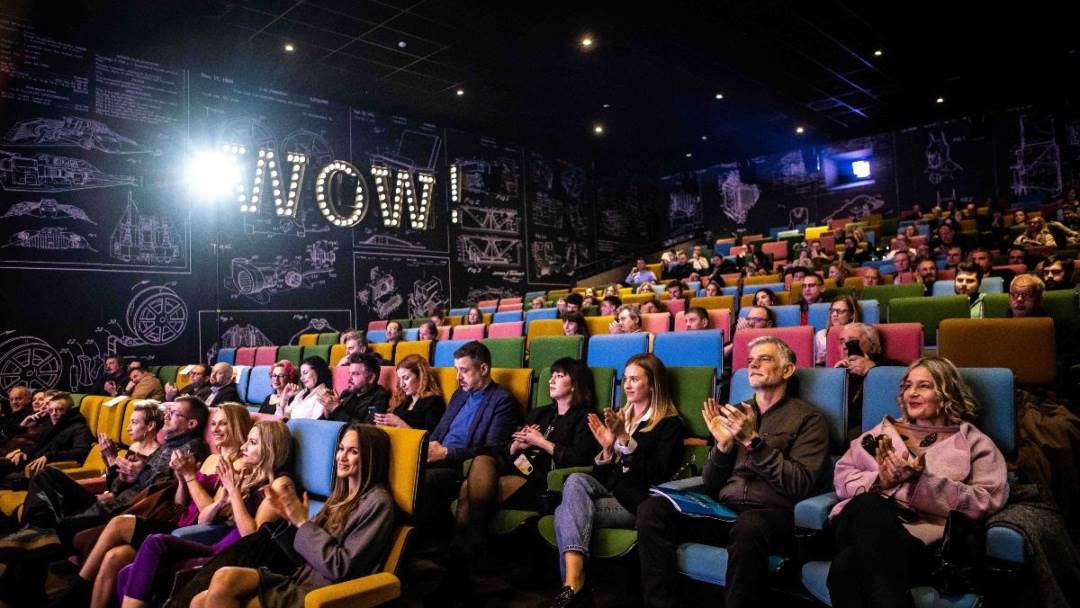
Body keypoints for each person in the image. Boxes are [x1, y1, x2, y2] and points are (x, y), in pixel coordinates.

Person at [637, 337, 829, 608]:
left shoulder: (808, 418)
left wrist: (753, 442)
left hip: (773, 516)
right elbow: (710, 483)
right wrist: (723, 447)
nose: (753, 365)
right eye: (750, 360)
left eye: (764, 359)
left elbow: (800, 484)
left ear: (787, 370)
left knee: (749, 524)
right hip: (725, 513)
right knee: (652, 510)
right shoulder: (733, 413)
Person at [826, 357, 1008, 608]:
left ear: (947, 392)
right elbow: (841, 476)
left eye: (924, 386)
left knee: (845, 567)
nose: (912, 393)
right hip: (858, 523)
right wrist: (880, 480)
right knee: (869, 505)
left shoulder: (974, 443)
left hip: (922, 545)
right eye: (908, 386)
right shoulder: (881, 432)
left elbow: (986, 500)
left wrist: (922, 482)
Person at [190, 425, 395, 608]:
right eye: (341, 449)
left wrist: (302, 522)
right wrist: (291, 521)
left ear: (371, 459)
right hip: (298, 578)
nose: (342, 457)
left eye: (353, 452)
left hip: (320, 592)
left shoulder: (378, 502)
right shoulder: (338, 497)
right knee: (214, 586)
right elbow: (300, 556)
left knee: (218, 595)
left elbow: (340, 567)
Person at [70, 404, 249, 608]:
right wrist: (181, 478)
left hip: (193, 532)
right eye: (214, 423)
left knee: (119, 523)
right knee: (115, 556)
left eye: (223, 424)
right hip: (179, 519)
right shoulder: (211, 458)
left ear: (237, 426)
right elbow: (180, 504)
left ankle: (76, 590)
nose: (215, 429)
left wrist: (190, 476)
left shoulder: (238, 465)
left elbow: (208, 515)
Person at [550, 354, 684, 607]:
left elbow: (657, 474)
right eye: (626, 379)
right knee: (575, 479)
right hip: (613, 493)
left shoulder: (669, 424)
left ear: (653, 385)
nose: (628, 385)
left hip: (638, 503)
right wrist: (607, 450)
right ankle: (574, 586)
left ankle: (573, 588)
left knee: (562, 513)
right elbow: (604, 477)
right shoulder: (622, 418)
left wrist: (625, 440)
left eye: (635, 379)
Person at [113, 420, 292, 608]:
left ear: (271, 449)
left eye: (253, 443)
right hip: (217, 548)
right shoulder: (248, 475)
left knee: (154, 543)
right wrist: (221, 503)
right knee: (127, 572)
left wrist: (233, 492)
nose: (244, 447)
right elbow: (203, 519)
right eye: (247, 440)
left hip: (232, 557)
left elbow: (252, 537)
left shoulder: (280, 484)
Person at [453, 358, 598, 570]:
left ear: (575, 384)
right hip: (517, 467)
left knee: (468, 490)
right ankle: (474, 554)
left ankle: (462, 560)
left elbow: (579, 458)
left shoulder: (585, 418)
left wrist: (541, 442)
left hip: (542, 482)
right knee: (483, 458)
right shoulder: (540, 413)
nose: (551, 380)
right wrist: (515, 446)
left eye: (559, 376)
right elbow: (508, 450)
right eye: (551, 376)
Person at [422, 342, 521, 537]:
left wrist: (446, 453)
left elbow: (492, 449)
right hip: (437, 457)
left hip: (461, 466)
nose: (458, 377)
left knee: (423, 481)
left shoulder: (502, 400)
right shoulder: (459, 395)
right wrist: (429, 446)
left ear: (483, 369)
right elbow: (440, 430)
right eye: (457, 370)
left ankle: (428, 543)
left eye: (464, 370)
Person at [0, 391, 93, 488]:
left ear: (69, 411)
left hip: (45, 469)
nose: (53, 414)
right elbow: (37, 446)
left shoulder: (79, 428)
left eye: (59, 410)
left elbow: (81, 452)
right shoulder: (49, 426)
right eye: (51, 410)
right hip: (29, 462)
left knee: (10, 478)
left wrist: (50, 456)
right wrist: (24, 452)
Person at [373, 354, 445, 432]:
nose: (402, 385)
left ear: (421, 377)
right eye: (400, 379)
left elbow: (430, 437)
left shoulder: (434, 402)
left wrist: (399, 423)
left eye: (406, 378)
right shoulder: (403, 398)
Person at [326, 352, 390, 424]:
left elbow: (365, 427)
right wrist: (327, 412)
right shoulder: (346, 393)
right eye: (349, 374)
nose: (349, 379)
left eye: (355, 374)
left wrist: (336, 409)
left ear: (371, 377)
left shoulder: (380, 397)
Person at [815, 295, 861, 365]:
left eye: (840, 311)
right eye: (832, 311)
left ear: (852, 314)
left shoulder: (859, 335)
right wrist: (819, 361)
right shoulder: (820, 335)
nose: (834, 314)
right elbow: (811, 365)